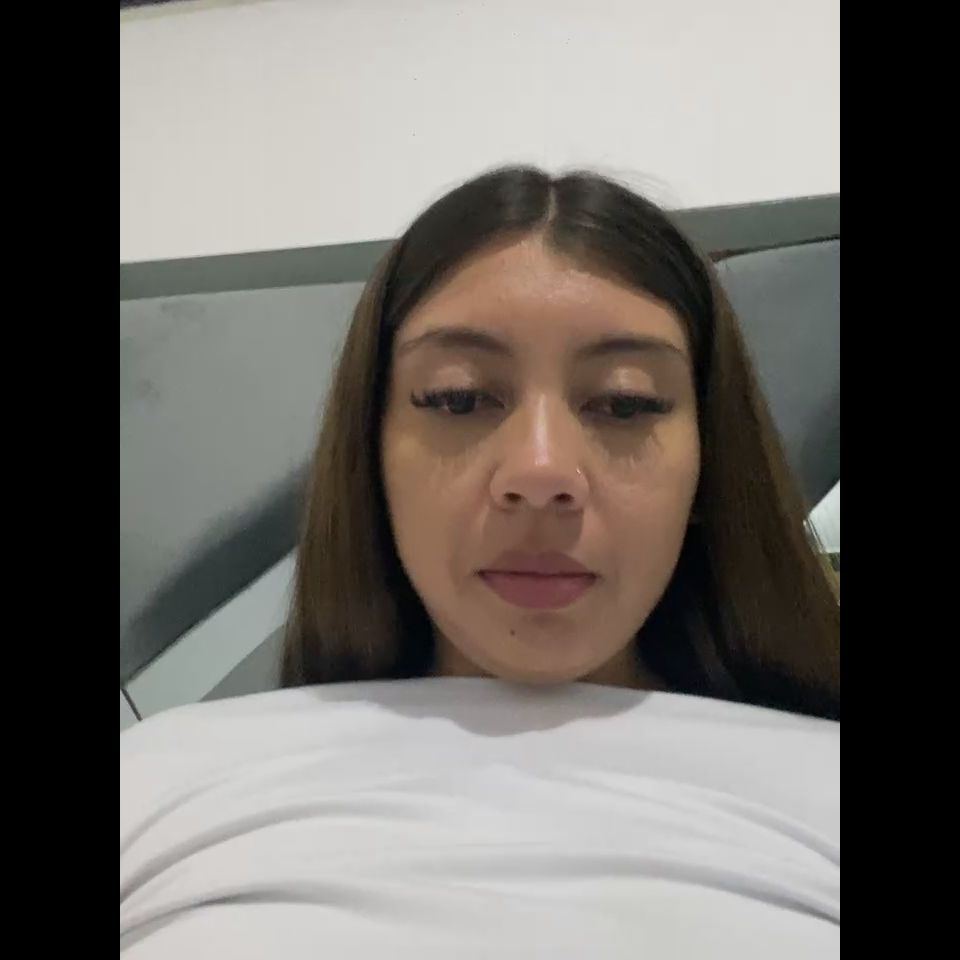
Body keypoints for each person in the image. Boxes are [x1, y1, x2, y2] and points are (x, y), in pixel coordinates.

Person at [120, 167, 840, 958]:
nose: (541, 471)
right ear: (371, 455)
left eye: (626, 402)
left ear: (708, 462)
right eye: (459, 399)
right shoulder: (159, 777)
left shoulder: (820, 784)